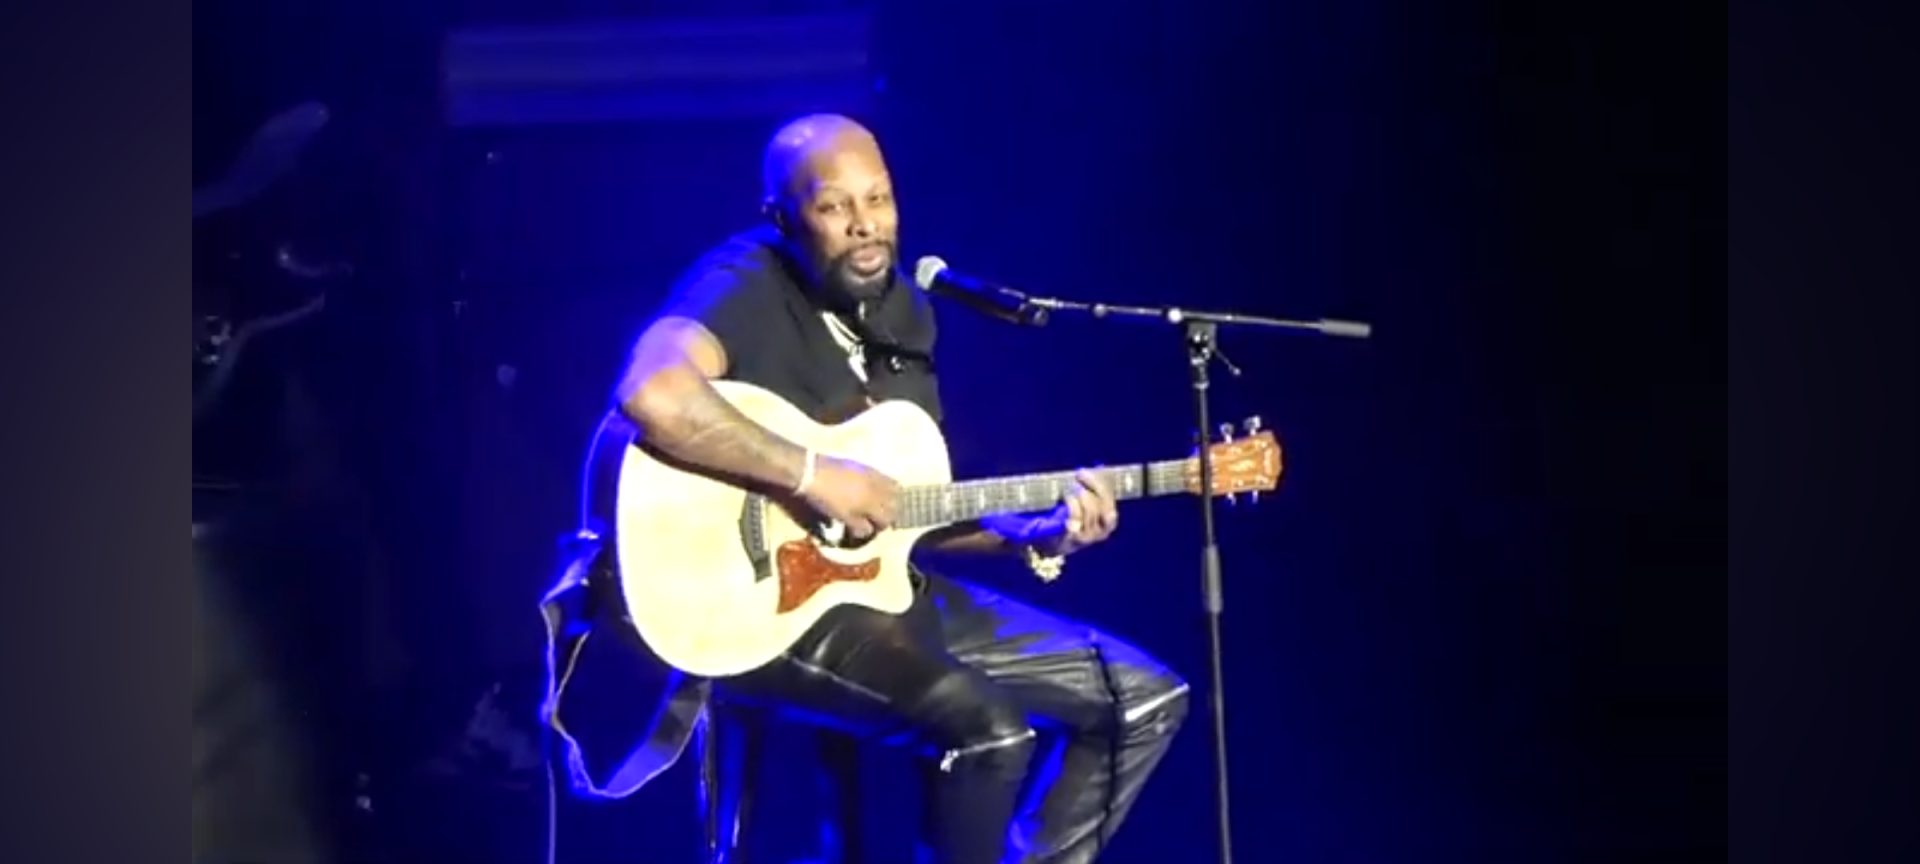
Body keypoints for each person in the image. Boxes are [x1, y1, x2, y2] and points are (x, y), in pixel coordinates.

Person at [541, 113, 1189, 864]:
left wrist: (1035, 535)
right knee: (992, 732)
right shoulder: (745, 283)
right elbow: (651, 393)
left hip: (875, 592)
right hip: (756, 607)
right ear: (783, 218)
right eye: (834, 206)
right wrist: (811, 475)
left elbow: (908, 511)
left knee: (1140, 699)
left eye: (878, 200)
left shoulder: (906, 315)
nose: (863, 226)